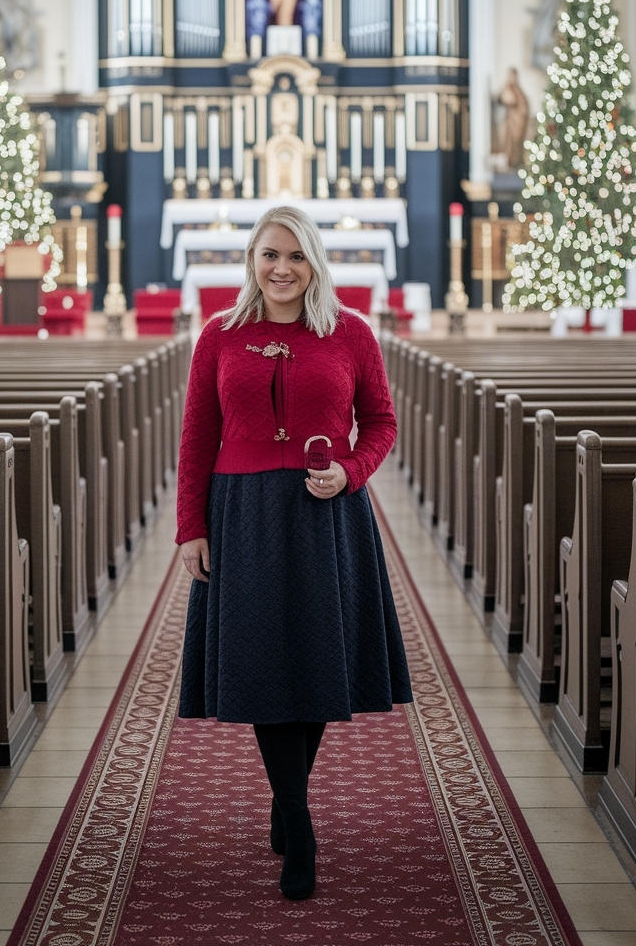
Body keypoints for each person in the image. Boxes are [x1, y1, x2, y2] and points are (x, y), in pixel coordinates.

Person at [176, 205, 412, 901]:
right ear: (252, 259)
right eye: (270, 255)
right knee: (261, 661)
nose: (281, 268)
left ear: (315, 264)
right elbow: (196, 439)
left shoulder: (351, 334)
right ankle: (300, 822)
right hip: (243, 513)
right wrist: (192, 528)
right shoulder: (218, 337)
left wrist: (352, 471)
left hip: (326, 514)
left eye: (296, 256)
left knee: (314, 657)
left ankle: (288, 802)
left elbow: (381, 422)